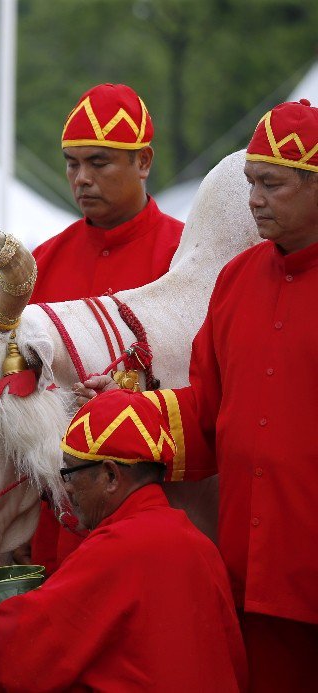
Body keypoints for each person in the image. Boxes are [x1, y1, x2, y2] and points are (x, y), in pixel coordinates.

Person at [76, 99, 318, 690]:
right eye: (249, 183)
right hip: (243, 570)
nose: (254, 199)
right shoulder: (237, 279)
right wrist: (122, 411)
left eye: (272, 184)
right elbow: (208, 411)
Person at [0, 389, 246, 692]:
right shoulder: (199, 545)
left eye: (69, 473)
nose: (65, 489)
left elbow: (27, 641)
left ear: (111, 476)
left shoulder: (120, 548)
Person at [24, 83, 185, 574]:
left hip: (156, 504)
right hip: (59, 506)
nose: (81, 178)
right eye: (73, 163)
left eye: (99, 162)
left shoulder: (184, 257)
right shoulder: (41, 263)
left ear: (144, 161)